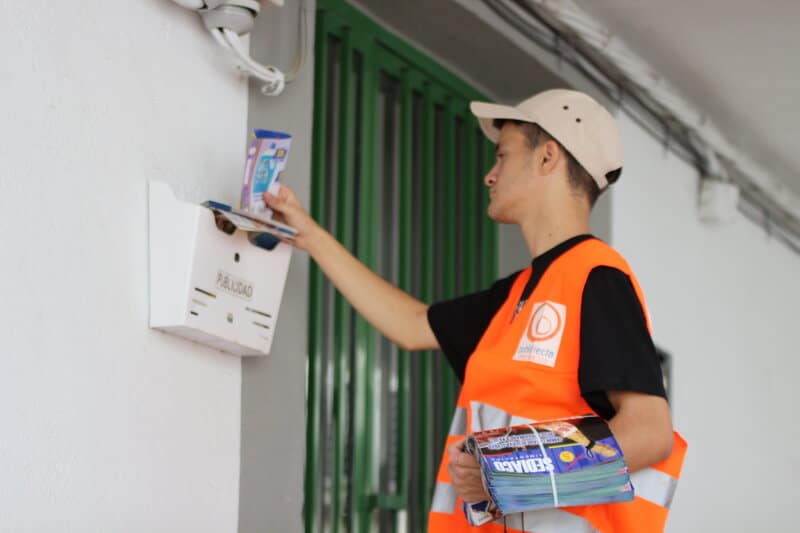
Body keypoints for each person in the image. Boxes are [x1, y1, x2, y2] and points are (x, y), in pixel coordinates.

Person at [264, 88, 687, 532]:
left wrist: (506, 473)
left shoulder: (597, 278)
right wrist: (310, 235)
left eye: (502, 156)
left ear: (547, 159)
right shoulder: (516, 295)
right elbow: (411, 325)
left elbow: (649, 432)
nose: (489, 175)